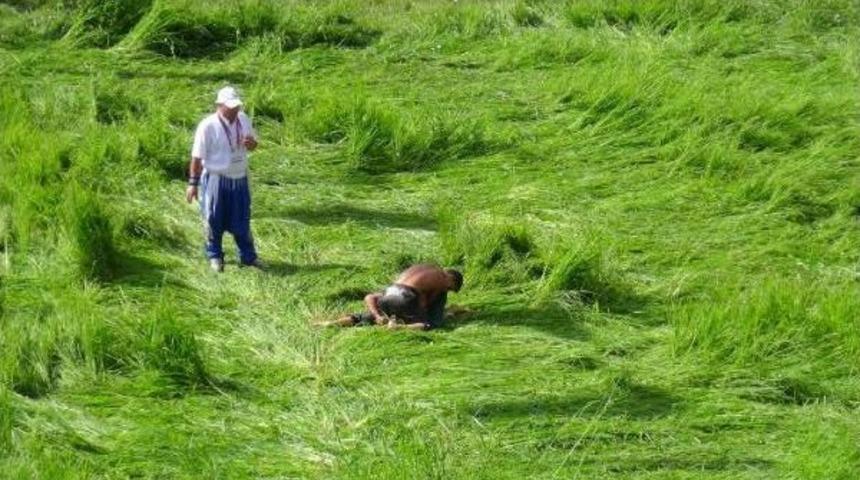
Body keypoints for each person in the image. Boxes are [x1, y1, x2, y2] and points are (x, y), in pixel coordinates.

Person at [186, 86, 263, 272]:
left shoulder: (243, 119)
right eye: (230, 107)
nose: (234, 110)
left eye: (236, 106)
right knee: (213, 218)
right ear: (219, 106)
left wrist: (251, 144)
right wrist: (193, 184)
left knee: (242, 219)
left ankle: (248, 257)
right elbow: (196, 158)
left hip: (239, 178)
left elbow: (254, 144)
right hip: (216, 179)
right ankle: (215, 256)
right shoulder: (207, 126)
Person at [318, 264, 464, 330]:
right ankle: (398, 327)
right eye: (450, 288)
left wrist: (377, 315)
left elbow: (370, 297)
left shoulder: (423, 270)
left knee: (366, 317)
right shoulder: (441, 280)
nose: (447, 289)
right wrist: (446, 313)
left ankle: (332, 323)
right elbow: (428, 308)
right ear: (451, 279)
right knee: (431, 324)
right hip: (407, 297)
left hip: (391, 292)